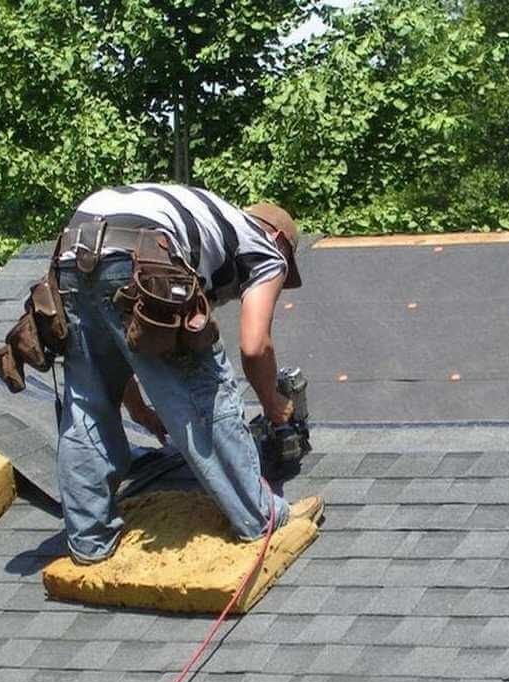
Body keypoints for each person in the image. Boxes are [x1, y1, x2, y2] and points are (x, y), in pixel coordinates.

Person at [53, 183, 321, 564]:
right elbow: (254, 346)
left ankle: (89, 542)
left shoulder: (207, 223)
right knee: (206, 393)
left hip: (72, 251)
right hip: (144, 255)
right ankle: (260, 516)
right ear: (279, 239)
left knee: (86, 407)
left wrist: (138, 408)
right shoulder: (263, 247)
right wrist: (272, 404)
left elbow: (117, 347)